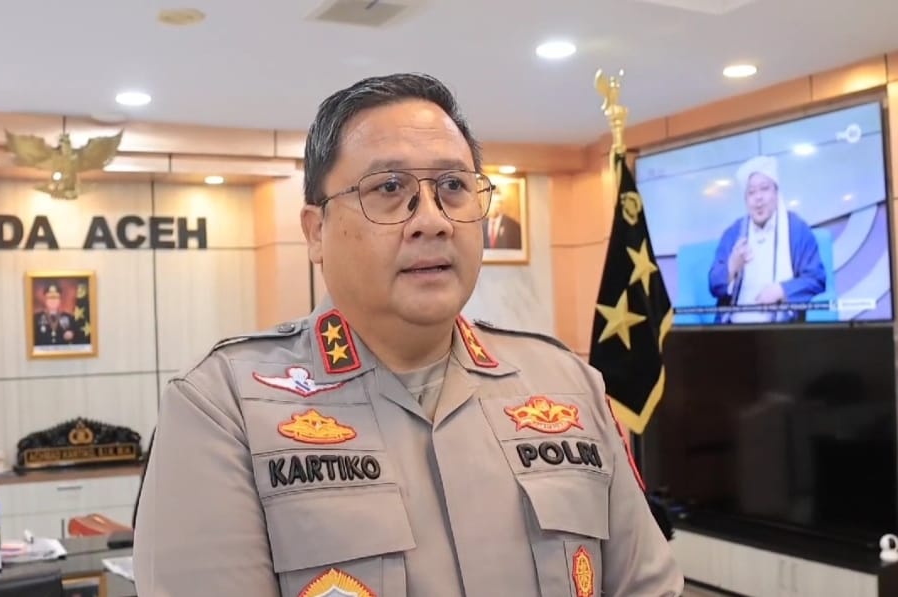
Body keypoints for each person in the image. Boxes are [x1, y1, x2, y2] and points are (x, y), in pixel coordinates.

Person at [132, 73, 684, 597]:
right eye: (390, 187)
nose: (433, 220)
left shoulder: (567, 384)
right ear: (316, 231)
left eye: (453, 186)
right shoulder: (223, 407)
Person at [708, 155, 826, 323]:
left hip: (781, 330)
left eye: (764, 189)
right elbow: (714, 286)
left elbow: (816, 279)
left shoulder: (797, 229)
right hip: (734, 329)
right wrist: (732, 266)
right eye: (751, 192)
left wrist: (782, 290)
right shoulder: (734, 233)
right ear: (746, 200)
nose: (758, 198)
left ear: (776, 193)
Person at [481, 184, 522, 249]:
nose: (495, 206)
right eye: (493, 202)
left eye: (498, 202)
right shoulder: (481, 226)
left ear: (501, 204)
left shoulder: (513, 226)